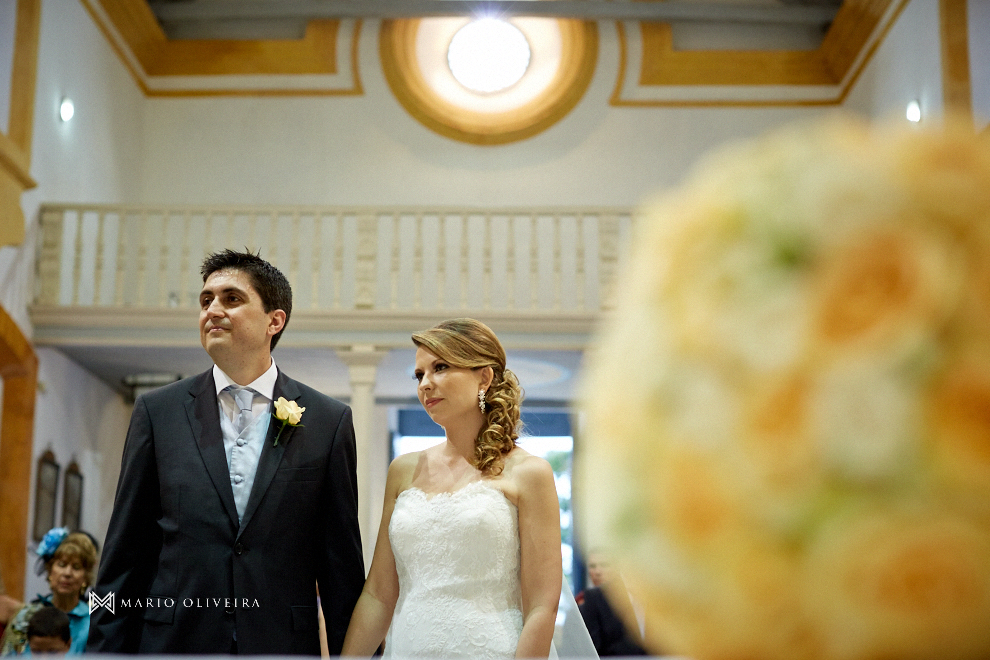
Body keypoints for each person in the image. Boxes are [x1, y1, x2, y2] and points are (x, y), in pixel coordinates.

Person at [88, 249, 365, 655]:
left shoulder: (328, 421)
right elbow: (123, 553)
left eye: (231, 299)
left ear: (275, 320)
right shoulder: (157, 411)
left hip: (279, 644)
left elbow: (340, 563)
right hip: (172, 643)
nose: (213, 309)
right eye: (206, 300)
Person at [342, 318, 562, 659]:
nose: (426, 384)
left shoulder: (529, 473)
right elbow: (379, 594)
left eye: (440, 367)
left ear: (484, 377)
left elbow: (542, 606)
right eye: (419, 375)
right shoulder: (403, 470)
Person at [0, 529, 95, 655]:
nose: (67, 573)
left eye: (76, 567)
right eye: (62, 564)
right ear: (50, 571)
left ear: (85, 577)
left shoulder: (92, 622)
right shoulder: (25, 616)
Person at [578, 551, 648, 656]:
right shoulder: (590, 599)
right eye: (592, 566)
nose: (597, 571)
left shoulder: (660, 596)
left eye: (604, 565)